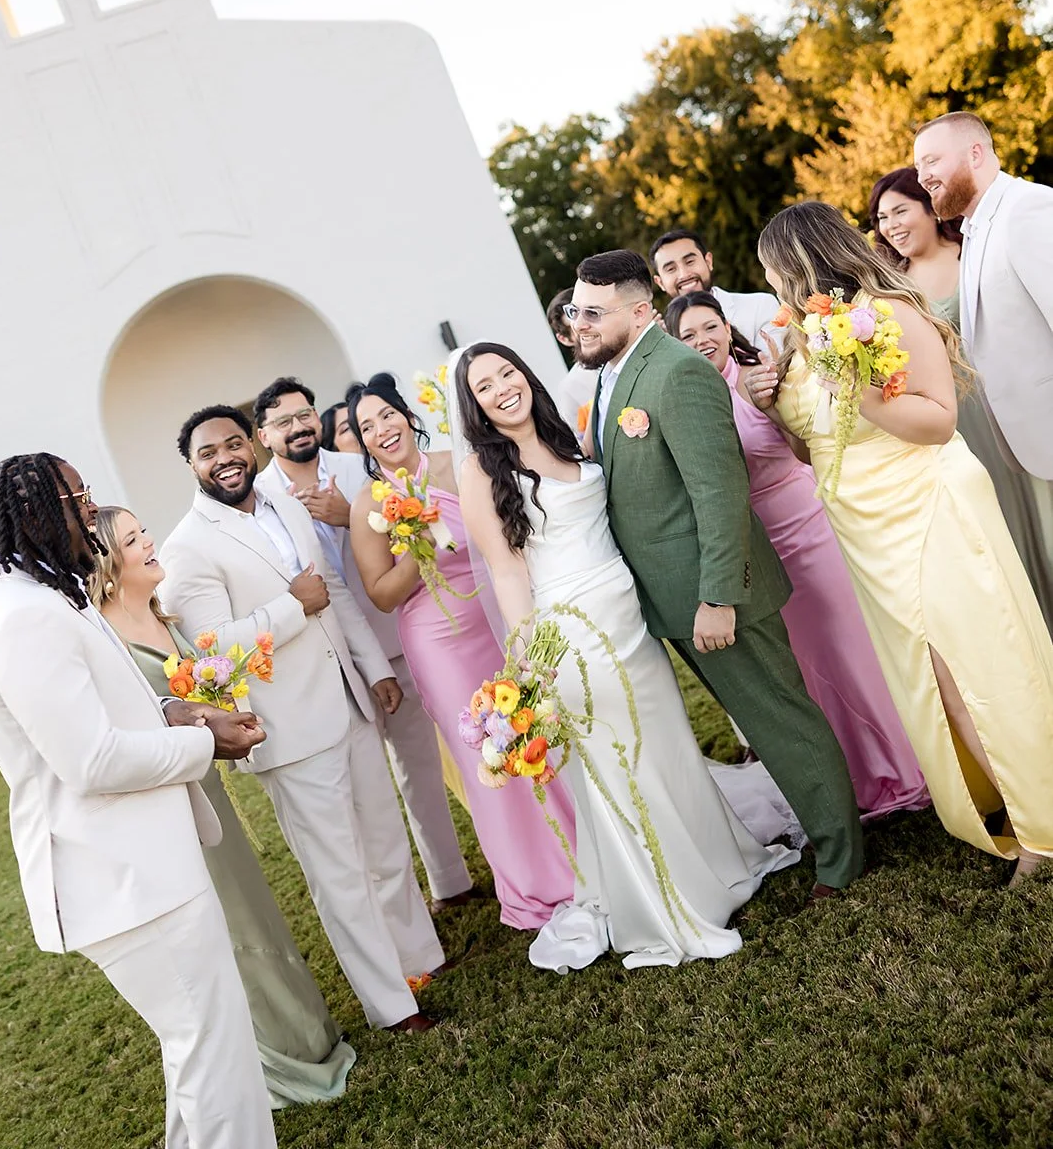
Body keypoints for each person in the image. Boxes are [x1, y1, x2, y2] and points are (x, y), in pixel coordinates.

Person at [454, 341, 800, 971]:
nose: (503, 388)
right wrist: (533, 657)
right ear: (472, 405)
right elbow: (507, 572)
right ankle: (667, 904)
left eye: (508, 371)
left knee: (665, 746)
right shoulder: (482, 469)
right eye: (484, 386)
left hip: (627, 617)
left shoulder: (564, 435)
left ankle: (718, 864)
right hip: (571, 635)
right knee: (622, 764)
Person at [750, 201, 1053, 885]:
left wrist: (860, 390)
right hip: (864, 530)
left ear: (801, 263)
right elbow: (814, 449)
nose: (770, 284)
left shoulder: (888, 314)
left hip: (927, 506)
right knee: (930, 684)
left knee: (971, 668)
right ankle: (1003, 799)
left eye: (772, 270)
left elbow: (939, 421)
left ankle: (1042, 821)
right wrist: (773, 404)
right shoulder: (802, 339)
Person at [0, 454, 276, 1149]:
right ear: (30, 516)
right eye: (78, 498)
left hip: (144, 864)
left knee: (202, 1050)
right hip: (121, 876)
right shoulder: (21, 615)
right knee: (214, 1052)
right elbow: (91, 760)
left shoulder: (51, 595)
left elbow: (108, 706)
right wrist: (208, 748)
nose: (92, 510)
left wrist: (178, 709)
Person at [571, 249, 865, 902]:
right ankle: (820, 830)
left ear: (640, 309)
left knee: (779, 720)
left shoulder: (676, 371)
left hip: (719, 594)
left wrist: (717, 598)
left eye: (593, 310)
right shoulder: (611, 375)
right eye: (575, 310)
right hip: (671, 596)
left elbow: (719, 491)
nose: (580, 322)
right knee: (759, 723)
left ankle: (840, 857)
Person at [159, 405, 444, 1033]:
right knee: (339, 872)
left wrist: (375, 668)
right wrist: (291, 608)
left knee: (386, 844)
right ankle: (392, 1005)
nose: (225, 458)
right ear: (191, 465)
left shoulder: (286, 504)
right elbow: (214, 650)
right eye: (208, 452)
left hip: (348, 696)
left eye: (234, 443)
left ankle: (422, 958)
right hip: (288, 730)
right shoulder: (187, 548)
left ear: (253, 446)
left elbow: (335, 594)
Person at [91, 504, 357, 1107]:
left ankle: (306, 1036)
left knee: (255, 912)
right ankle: (274, 1061)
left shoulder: (167, 618)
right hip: (168, 810)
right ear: (109, 566)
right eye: (134, 539)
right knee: (230, 927)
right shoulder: (107, 643)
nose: (150, 541)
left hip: (208, 792)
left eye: (143, 530)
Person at [665, 290, 928, 821]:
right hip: (759, 549)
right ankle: (857, 777)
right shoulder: (685, 404)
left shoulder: (763, 375)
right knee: (812, 667)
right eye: (688, 336)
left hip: (809, 525)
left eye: (709, 327)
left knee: (856, 648)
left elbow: (807, 446)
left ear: (726, 326)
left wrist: (771, 409)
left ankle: (912, 765)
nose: (702, 341)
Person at [348, 372, 578, 930]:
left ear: (407, 415)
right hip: (440, 644)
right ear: (360, 442)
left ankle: (583, 847)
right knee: (489, 759)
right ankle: (535, 882)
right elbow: (380, 594)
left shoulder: (460, 464)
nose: (381, 429)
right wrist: (417, 551)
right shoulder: (368, 505)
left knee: (541, 731)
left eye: (386, 415)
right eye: (366, 426)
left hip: (499, 619)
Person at [253, 376, 475, 912]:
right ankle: (391, 909)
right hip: (326, 660)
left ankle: (450, 882)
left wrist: (346, 518)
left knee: (418, 766)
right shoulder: (257, 500)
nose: (299, 425)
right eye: (283, 421)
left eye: (305, 414)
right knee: (362, 789)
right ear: (264, 434)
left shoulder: (362, 470)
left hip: (396, 637)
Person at [870, 165, 1053, 632]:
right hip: (956, 429)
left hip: (1012, 410)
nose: (889, 224)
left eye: (899, 210)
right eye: (881, 217)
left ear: (930, 207)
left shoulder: (977, 252)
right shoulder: (890, 290)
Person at [913, 112, 1053, 482]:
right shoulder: (973, 230)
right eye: (917, 167)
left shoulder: (1026, 210)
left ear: (975, 154)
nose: (922, 176)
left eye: (932, 161)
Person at [649, 228, 780, 345]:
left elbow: (776, 367)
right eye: (671, 269)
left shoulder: (760, 306)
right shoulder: (663, 338)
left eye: (689, 262)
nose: (684, 274)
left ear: (708, 261)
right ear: (660, 282)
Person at [546, 288, 599, 433]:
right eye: (576, 327)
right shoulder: (570, 389)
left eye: (591, 315)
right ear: (564, 339)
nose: (587, 327)